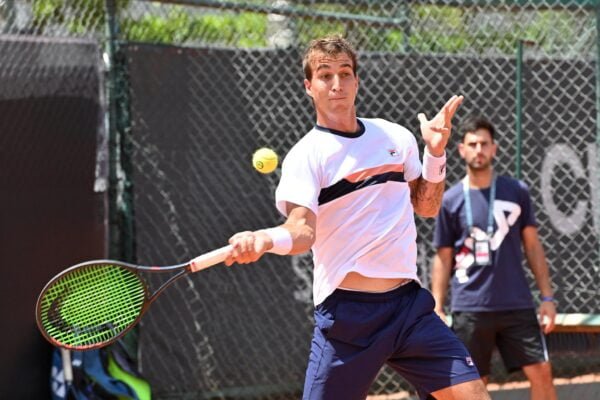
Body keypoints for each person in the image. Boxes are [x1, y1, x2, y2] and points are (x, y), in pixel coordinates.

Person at [224, 35, 489, 400]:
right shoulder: (307, 156)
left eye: (345, 73)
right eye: (325, 75)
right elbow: (301, 231)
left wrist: (435, 152)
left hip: (408, 307)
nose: (337, 84)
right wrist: (265, 239)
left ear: (356, 81)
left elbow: (426, 207)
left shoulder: (395, 137)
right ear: (309, 86)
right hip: (348, 317)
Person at [430, 115, 557, 400]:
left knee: (542, 373)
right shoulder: (450, 199)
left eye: (484, 144)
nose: (479, 150)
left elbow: (533, 247)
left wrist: (547, 298)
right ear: (461, 149)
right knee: (475, 385)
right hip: (470, 307)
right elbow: (443, 257)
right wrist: (437, 305)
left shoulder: (516, 191)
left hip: (517, 303)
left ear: (494, 148)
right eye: (472, 144)